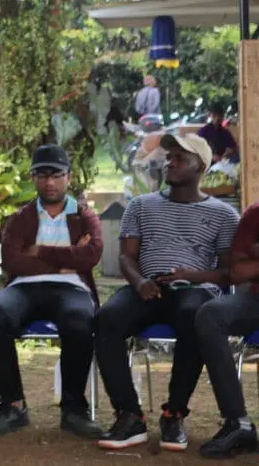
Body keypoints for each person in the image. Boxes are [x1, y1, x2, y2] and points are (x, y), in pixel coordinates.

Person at [94, 133, 238, 453]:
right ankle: (129, 415)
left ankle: (174, 414)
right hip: (147, 285)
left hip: (194, 289)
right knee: (106, 319)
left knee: (194, 315)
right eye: (168, 157)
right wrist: (139, 282)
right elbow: (126, 257)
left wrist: (190, 275)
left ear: (200, 166)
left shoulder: (224, 214)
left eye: (179, 159)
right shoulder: (141, 205)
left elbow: (230, 272)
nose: (169, 163)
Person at [0, 144, 103, 439]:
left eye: (57, 174)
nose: (50, 182)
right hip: (24, 287)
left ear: (69, 177)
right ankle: (13, 406)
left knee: (79, 320)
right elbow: (12, 260)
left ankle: (73, 408)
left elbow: (91, 256)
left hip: (72, 288)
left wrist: (39, 251)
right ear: (33, 178)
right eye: (42, 175)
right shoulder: (20, 218)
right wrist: (63, 260)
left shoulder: (85, 217)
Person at [194, 202, 259, 459]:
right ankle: (238, 423)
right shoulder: (254, 214)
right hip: (255, 301)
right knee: (211, 314)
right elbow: (237, 272)